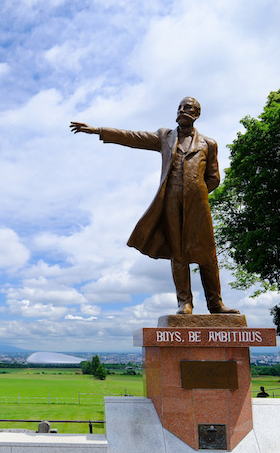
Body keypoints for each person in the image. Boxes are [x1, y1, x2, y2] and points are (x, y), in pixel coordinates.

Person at [70, 97, 239, 315]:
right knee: (178, 252)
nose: (181, 111)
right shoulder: (165, 136)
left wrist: (196, 192)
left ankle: (216, 304)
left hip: (198, 205)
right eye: (179, 107)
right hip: (170, 201)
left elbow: (214, 178)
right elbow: (133, 137)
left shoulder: (209, 143)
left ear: (196, 114)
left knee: (207, 254)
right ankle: (184, 302)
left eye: (187, 108)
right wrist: (98, 130)